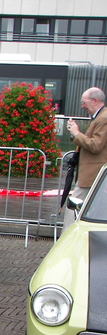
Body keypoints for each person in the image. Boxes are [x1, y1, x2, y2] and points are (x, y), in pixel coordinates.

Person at [64, 87, 107, 230]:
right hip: (91, 174)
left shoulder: (104, 118)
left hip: (92, 174)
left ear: (95, 101)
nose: (82, 106)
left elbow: (95, 145)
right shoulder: (100, 117)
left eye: (84, 103)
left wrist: (76, 133)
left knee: (73, 208)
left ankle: (66, 242)